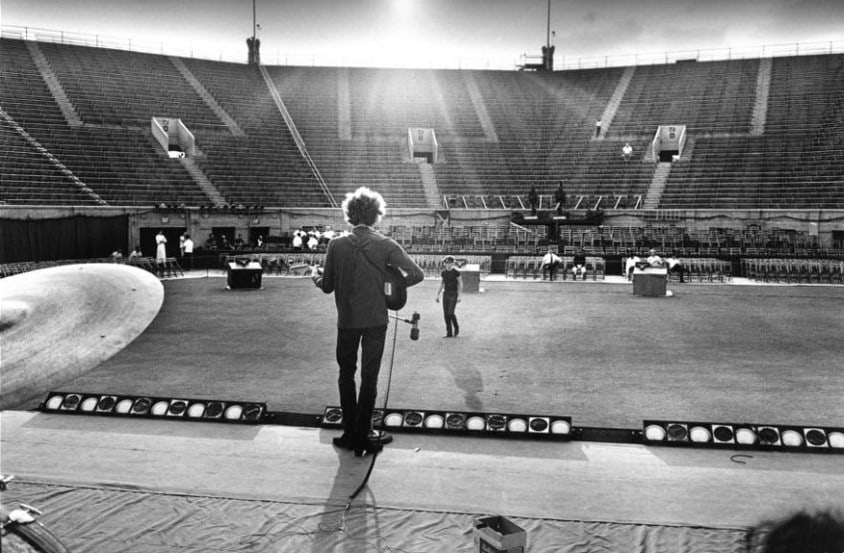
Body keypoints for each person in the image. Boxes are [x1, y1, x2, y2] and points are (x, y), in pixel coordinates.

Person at [312, 187, 424, 456]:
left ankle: (351, 432)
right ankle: (364, 434)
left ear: (350, 214)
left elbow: (327, 287)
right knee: (369, 378)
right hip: (376, 320)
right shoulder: (386, 244)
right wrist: (393, 287)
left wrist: (314, 277)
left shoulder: (336, 245)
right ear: (377, 215)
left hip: (347, 322)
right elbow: (416, 274)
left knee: (346, 376)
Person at [436, 256, 462, 337]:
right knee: (446, 314)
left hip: (453, 293)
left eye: (450, 263)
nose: (448, 265)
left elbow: (460, 283)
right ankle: (449, 332)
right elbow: (442, 284)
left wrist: (459, 296)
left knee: (450, 313)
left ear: (453, 263)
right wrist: (438, 295)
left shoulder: (456, 272)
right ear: (445, 264)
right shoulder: (443, 273)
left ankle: (456, 327)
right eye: (447, 263)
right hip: (446, 293)